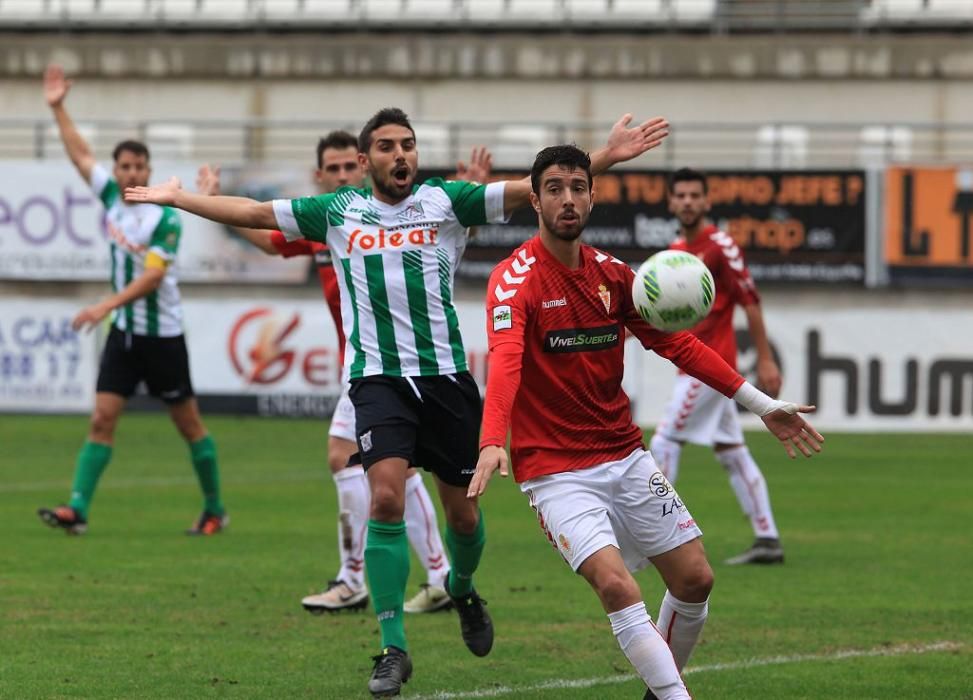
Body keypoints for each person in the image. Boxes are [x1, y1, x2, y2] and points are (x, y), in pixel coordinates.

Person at [124, 107, 670, 698]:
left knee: (464, 516)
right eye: (386, 146)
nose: (400, 154)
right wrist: (176, 199)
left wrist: (606, 157)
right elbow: (254, 213)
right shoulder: (337, 211)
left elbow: (538, 187)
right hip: (377, 381)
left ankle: (461, 588)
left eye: (407, 144)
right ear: (366, 162)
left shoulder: (445, 202)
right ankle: (392, 649)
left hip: (445, 381)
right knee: (384, 496)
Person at [468, 145, 823, 700]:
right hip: (557, 472)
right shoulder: (514, 281)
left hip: (626, 456)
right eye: (555, 188)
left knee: (695, 579)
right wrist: (493, 441)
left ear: (593, 195)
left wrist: (760, 403)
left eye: (578, 186)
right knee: (616, 585)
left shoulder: (614, 276)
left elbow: (679, 344)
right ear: (534, 199)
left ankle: (658, 693)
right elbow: (506, 362)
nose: (568, 198)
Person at [195, 133, 492, 615]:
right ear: (320, 177)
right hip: (366, 370)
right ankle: (421, 575)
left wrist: (472, 212)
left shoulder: (378, 215)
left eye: (344, 168)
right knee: (374, 468)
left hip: (391, 370)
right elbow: (267, 239)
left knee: (356, 461)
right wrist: (210, 202)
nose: (339, 176)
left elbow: (446, 239)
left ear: (362, 168)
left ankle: (380, 577)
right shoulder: (327, 223)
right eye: (329, 170)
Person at [36, 65, 227, 536]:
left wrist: (105, 305)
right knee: (102, 418)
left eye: (139, 167)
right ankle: (76, 510)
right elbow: (80, 154)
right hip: (124, 336)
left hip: (162, 337)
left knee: (189, 427)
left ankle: (214, 510)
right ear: (118, 170)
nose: (130, 173)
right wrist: (59, 107)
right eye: (124, 167)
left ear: (148, 171)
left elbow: (152, 279)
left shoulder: (165, 217)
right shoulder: (111, 199)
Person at [649, 167, 787, 565]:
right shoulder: (674, 253)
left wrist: (764, 357)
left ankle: (654, 535)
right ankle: (768, 538)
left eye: (696, 195)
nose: (689, 202)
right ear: (671, 202)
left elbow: (750, 300)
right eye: (682, 196)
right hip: (691, 364)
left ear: (707, 202)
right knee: (732, 451)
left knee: (664, 443)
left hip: (710, 367)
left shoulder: (721, 245)